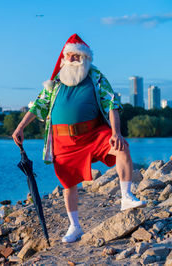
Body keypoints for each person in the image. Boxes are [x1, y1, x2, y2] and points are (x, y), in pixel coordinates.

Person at [12, 34, 146, 243]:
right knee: (68, 183)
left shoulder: (95, 76)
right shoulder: (55, 83)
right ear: (65, 58)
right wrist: (20, 127)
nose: (73, 60)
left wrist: (116, 132)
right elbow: (38, 105)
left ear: (85, 58)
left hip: (93, 134)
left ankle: (126, 197)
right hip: (63, 141)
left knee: (121, 147)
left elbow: (112, 104)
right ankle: (74, 227)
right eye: (70, 56)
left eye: (78, 56)